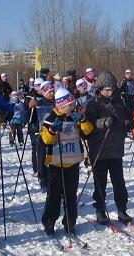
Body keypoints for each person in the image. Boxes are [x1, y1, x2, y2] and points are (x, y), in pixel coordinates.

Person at [40, 88, 93, 236]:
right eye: (70, 105)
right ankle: (49, 223)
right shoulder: (50, 118)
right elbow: (45, 140)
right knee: (54, 197)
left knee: (70, 196)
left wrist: (82, 121)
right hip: (56, 165)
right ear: (62, 105)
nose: (73, 107)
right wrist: (52, 130)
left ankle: (70, 222)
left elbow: (88, 132)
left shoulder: (74, 117)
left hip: (73, 163)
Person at [85, 71, 133, 224]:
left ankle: (122, 209)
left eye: (112, 88)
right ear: (99, 88)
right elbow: (89, 125)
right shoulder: (92, 103)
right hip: (99, 149)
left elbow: (126, 117)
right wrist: (103, 122)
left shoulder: (119, 102)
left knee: (119, 181)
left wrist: (128, 123)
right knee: (100, 182)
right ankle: (100, 209)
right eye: (106, 89)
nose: (110, 92)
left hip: (115, 149)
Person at [28, 80, 55, 188]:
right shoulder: (38, 103)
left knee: (53, 157)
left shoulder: (56, 103)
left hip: (54, 135)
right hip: (41, 135)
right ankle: (42, 178)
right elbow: (29, 119)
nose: (52, 94)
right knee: (42, 157)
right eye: (49, 92)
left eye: (53, 91)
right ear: (44, 92)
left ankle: (53, 179)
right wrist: (30, 108)